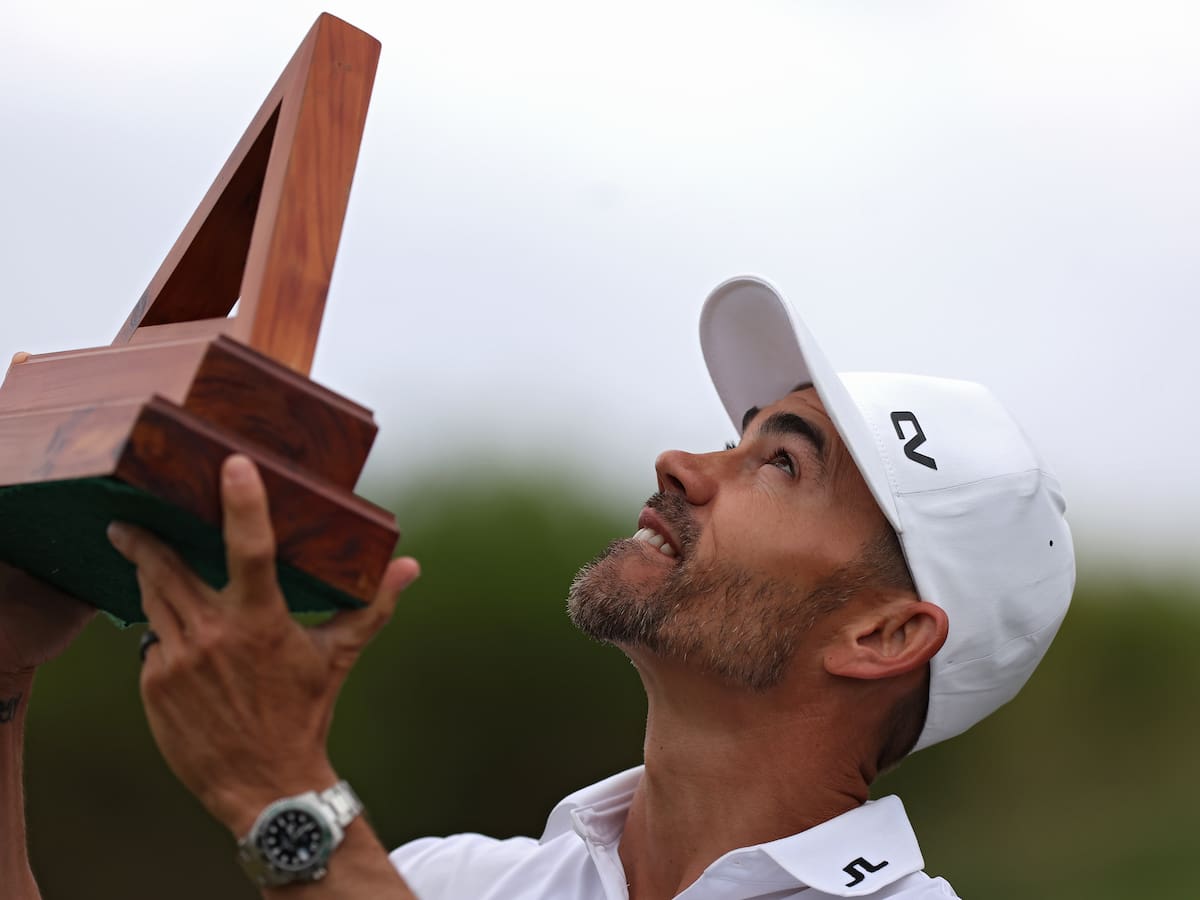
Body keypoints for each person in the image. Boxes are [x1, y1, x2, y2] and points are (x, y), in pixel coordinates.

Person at [0, 276, 1074, 900]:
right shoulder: (451, 881)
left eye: (782, 463)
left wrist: (282, 794)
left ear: (886, 632)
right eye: (737, 438)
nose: (683, 466)